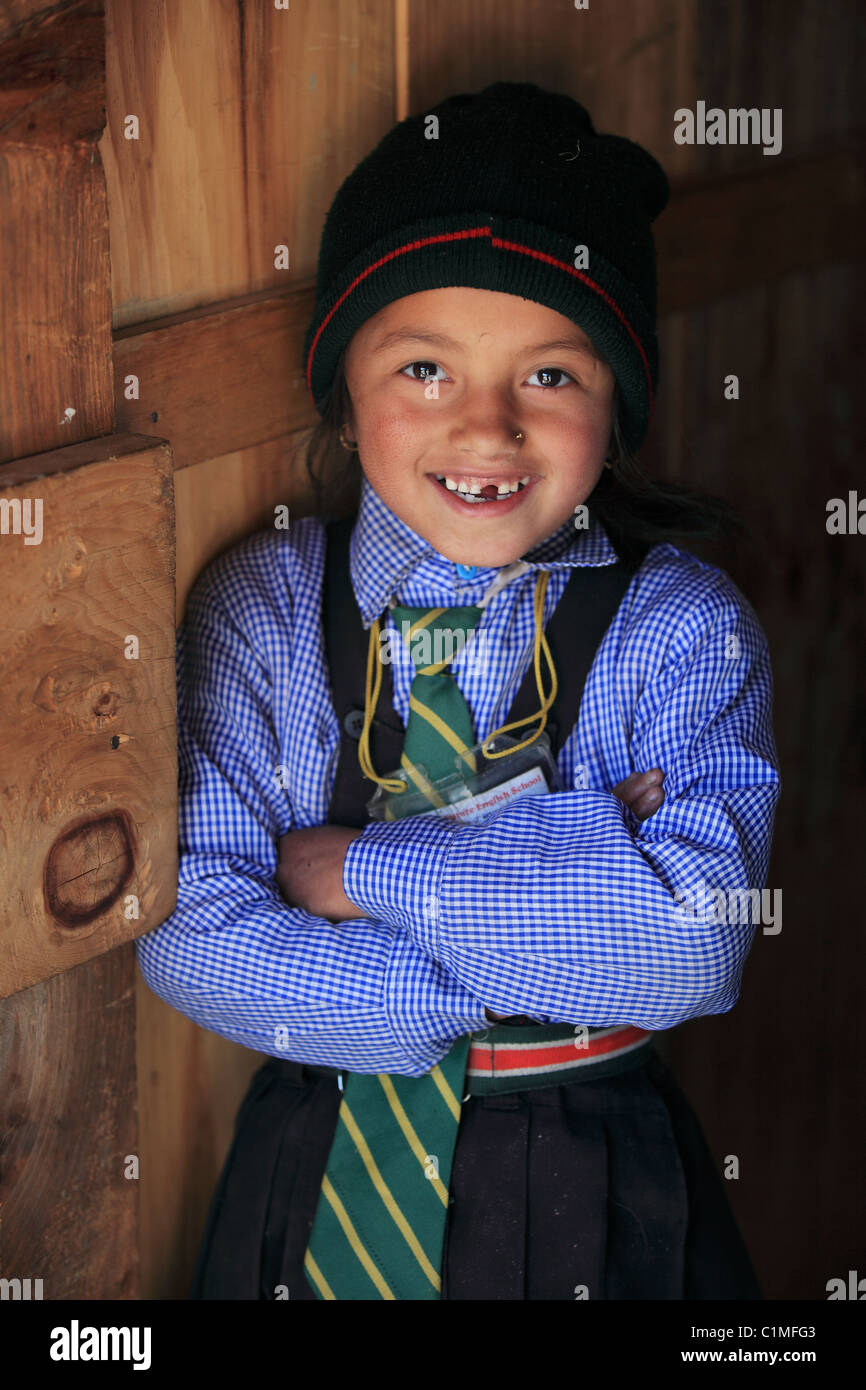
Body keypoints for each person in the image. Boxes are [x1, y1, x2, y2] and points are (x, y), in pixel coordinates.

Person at [135, 82, 781, 1300]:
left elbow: (693, 947)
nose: (486, 427)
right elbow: (192, 934)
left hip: (597, 1186)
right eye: (424, 367)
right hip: (312, 1167)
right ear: (339, 390)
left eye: (550, 376)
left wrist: (357, 874)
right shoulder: (261, 612)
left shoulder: (679, 631)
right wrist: (563, 916)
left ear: (615, 410)